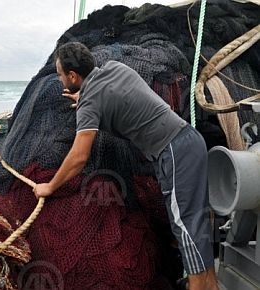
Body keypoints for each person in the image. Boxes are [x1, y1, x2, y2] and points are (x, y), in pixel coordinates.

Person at [33, 42, 219, 290]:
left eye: (60, 75)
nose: (59, 80)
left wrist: (50, 186)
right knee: (193, 223)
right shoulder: (114, 68)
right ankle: (211, 286)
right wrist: (85, 98)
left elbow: (79, 157)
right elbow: (113, 94)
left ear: (73, 76)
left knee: (186, 227)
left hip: (174, 152)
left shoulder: (90, 104)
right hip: (189, 142)